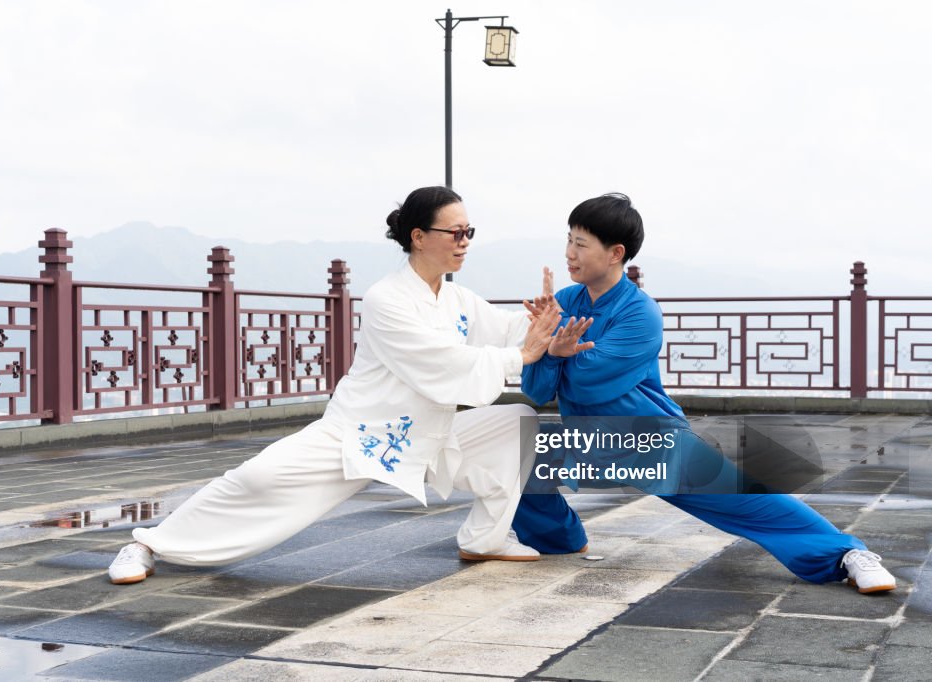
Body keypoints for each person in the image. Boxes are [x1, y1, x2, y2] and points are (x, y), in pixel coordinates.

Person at [108, 186, 593, 584]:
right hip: (360, 432)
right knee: (258, 479)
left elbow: (503, 332)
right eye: (456, 232)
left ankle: (485, 539)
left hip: (430, 434)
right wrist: (522, 353)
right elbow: (442, 363)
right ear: (420, 237)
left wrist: (540, 327)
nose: (465, 240)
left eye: (470, 231)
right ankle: (148, 544)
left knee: (520, 422)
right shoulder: (387, 299)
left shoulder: (456, 298)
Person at [513, 193, 896, 594]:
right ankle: (558, 538)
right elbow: (536, 388)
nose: (569, 253)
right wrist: (550, 352)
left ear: (615, 253)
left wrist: (550, 354)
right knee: (515, 452)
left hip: (648, 442)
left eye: (580, 244)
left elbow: (592, 382)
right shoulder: (565, 303)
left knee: (751, 503)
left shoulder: (640, 312)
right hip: (589, 440)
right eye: (568, 240)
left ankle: (848, 554)